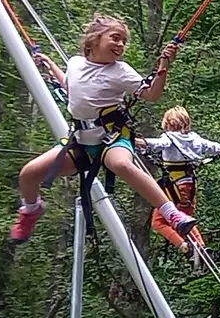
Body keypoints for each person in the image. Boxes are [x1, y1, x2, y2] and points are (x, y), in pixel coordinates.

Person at [10, 15, 194, 244]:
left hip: (112, 140)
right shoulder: (76, 63)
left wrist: (163, 67)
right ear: (95, 39)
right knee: (29, 173)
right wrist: (51, 66)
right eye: (115, 38)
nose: (121, 45)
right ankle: (31, 209)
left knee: (121, 164)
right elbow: (71, 86)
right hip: (81, 143)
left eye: (124, 42)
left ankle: (172, 214)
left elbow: (152, 95)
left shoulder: (120, 71)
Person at [137, 106, 220, 250]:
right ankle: (201, 247)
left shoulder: (169, 137)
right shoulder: (195, 138)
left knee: (158, 222)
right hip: (190, 186)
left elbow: (157, 144)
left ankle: (183, 246)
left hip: (175, 187)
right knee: (184, 219)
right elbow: (211, 146)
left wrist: (133, 140)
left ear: (169, 123)